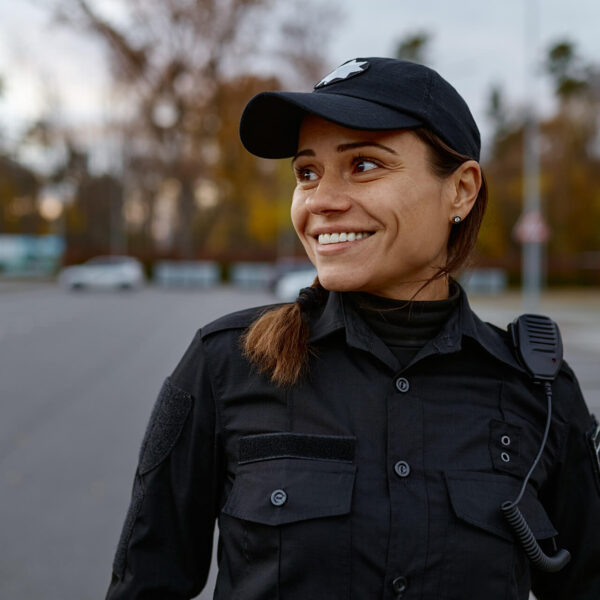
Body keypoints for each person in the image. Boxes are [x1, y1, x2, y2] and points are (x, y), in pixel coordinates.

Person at [105, 58, 600, 600]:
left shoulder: (540, 390)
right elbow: (144, 584)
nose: (320, 201)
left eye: (364, 165)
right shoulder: (225, 364)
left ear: (460, 190)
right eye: (307, 173)